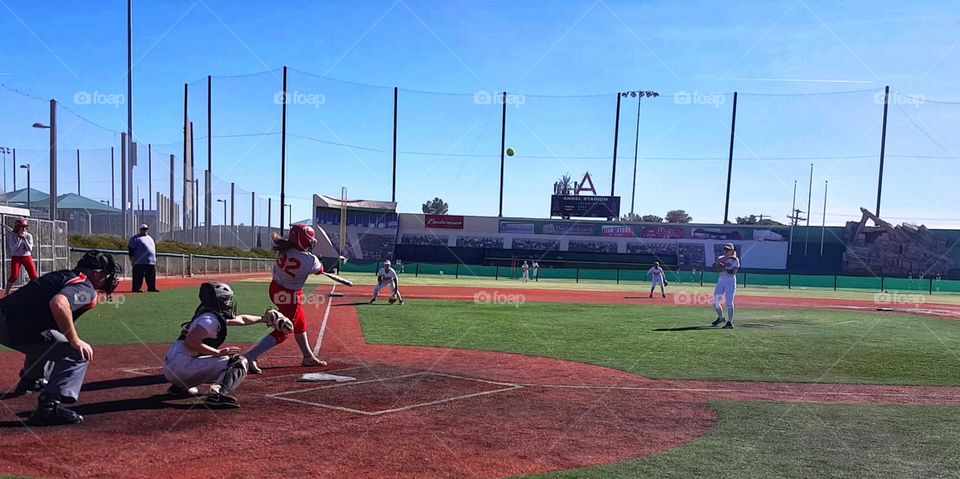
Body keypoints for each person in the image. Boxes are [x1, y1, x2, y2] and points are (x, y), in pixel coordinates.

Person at [0, 250, 120, 425]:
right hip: (11, 325)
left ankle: (30, 380)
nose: (110, 279)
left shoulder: (64, 275)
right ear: (97, 273)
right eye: (107, 275)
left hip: (9, 319)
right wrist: (75, 340)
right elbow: (58, 303)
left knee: (51, 336)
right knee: (77, 353)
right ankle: (49, 408)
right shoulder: (85, 287)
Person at [163, 282, 271, 408]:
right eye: (227, 299)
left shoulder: (207, 315)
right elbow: (191, 342)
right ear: (218, 300)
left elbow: (241, 320)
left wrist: (264, 318)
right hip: (182, 369)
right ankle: (218, 394)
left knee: (202, 356)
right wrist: (218, 353)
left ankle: (179, 386)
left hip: (174, 367)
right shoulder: (209, 320)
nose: (229, 302)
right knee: (238, 362)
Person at [244, 224, 327, 374]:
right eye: (309, 240)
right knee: (284, 329)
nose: (311, 242)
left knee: (300, 323)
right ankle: (251, 356)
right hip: (290, 295)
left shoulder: (283, 248)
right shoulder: (310, 260)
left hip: (275, 288)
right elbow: (319, 270)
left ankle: (308, 356)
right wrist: (320, 267)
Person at [5, 219, 38, 296]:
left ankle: (37, 291)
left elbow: (30, 248)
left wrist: (24, 239)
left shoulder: (29, 236)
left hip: (26, 257)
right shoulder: (13, 236)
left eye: (25, 227)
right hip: (16, 257)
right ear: (17, 227)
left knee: (34, 275)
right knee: (14, 276)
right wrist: (19, 240)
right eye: (21, 227)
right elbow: (13, 248)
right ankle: (7, 292)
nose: (23, 229)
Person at [710, 243, 740, 329]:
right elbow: (716, 263)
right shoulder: (721, 257)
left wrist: (724, 267)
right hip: (721, 279)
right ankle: (721, 318)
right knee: (715, 301)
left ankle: (730, 322)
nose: (726, 251)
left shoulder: (735, 260)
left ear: (732, 250)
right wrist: (726, 260)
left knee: (729, 302)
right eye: (725, 249)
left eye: (728, 249)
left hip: (730, 280)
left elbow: (732, 272)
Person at [128, 224, 159, 293]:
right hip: (139, 261)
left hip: (150, 262)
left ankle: (151, 288)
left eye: (146, 229)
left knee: (151, 276)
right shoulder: (135, 238)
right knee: (138, 276)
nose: (145, 230)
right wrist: (132, 258)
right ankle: (136, 288)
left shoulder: (150, 238)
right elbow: (131, 249)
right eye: (143, 229)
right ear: (140, 230)